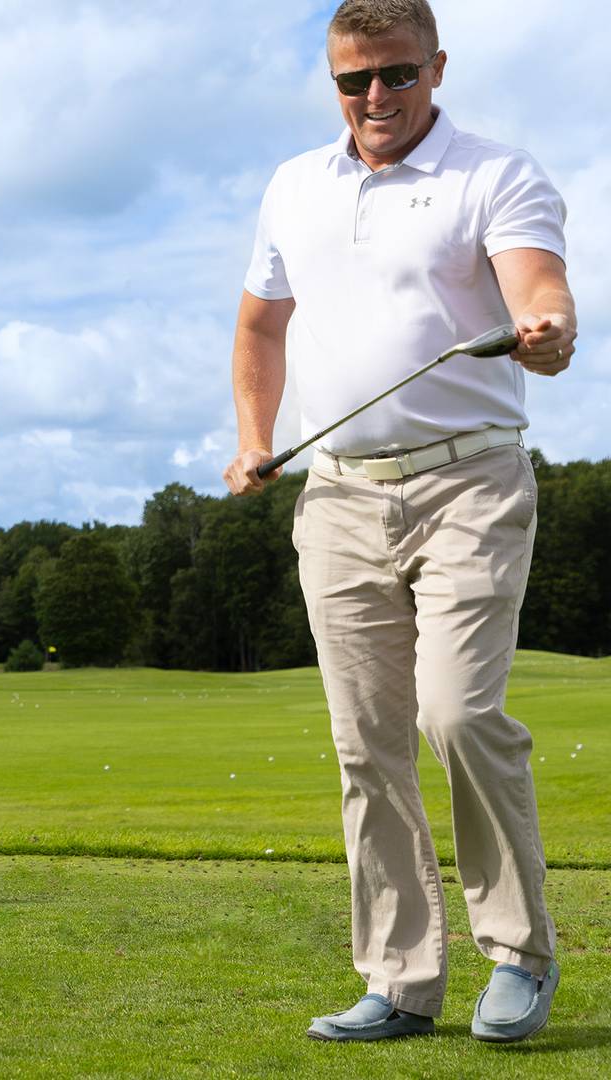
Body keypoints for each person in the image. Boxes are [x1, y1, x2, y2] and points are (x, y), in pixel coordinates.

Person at [223, 0, 574, 1044]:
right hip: (335, 494)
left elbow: (537, 290)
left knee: (457, 714)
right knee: (366, 744)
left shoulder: (496, 175)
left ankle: (518, 954)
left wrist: (545, 333)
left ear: (437, 67)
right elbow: (257, 325)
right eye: (354, 79)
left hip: (471, 481)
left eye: (398, 75)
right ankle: (401, 980)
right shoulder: (294, 185)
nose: (376, 97)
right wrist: (252, 433)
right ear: (332, 79)